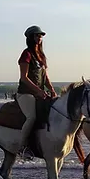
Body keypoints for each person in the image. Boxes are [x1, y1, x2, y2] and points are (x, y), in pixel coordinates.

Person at [16, 25, 57, 158]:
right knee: (31, 117)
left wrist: (51, 90)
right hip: (25, 93)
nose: (39, 38)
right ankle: (22, 147)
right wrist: (38, 90)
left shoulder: (41, 56)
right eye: (37, 35)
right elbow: (24, 77)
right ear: (31, 38)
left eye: (40, 36)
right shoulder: (26, 54)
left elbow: (45, 77)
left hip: (39, 93)